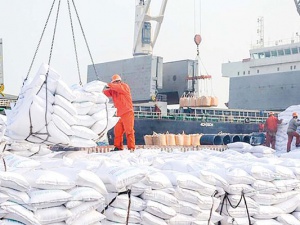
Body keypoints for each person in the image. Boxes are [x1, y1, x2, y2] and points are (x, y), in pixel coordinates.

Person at [103, 74, 135, 151]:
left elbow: (117, 87)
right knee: (117, 132)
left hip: (127, 113)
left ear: (119, 81)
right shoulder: (113, 91)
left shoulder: (124, 86)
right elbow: (105, 93)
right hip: (119, 115)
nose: (117, 83)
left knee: (129, 131)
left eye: (117, 81)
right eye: (115, 82)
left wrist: (108, 85)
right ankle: (118, 147)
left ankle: (131, 148)